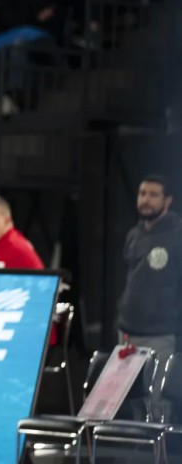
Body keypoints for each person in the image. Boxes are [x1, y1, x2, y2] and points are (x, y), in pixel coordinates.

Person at [116, 174, 182, 420]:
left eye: (154, 195)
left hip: (161, 333)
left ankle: (160, 444)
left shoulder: (177, 235)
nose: (146, 200)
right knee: (129, 399)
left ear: (168, 200)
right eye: (142, 193)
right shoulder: (134, 235)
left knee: (157, 402)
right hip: (128, 332)